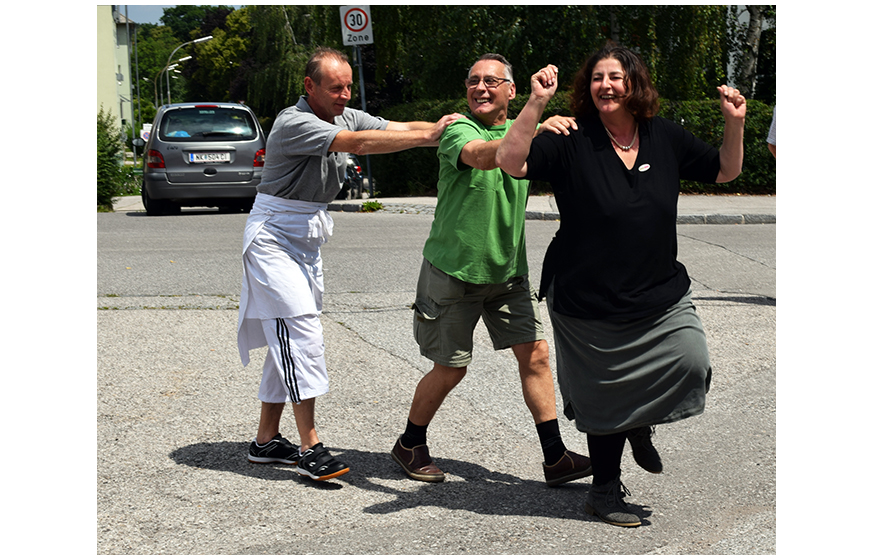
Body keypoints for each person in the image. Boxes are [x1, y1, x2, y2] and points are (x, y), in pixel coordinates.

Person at [495, 42, 745, 527]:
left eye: (615, 76)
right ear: (587, 89)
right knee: (603, 399)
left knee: (691, 361)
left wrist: (734, 121)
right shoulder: (571, 137)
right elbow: (510, 161)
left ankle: (638, 422)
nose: (605, 85)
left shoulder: (663, 136)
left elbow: (725, 170)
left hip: (658, 292)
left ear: (634, 83)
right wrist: (536, 104)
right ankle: (604, 492)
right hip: (587, 297)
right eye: (596, 78)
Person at [238, 47, 462, 482]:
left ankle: (266, 441)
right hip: (273, 237)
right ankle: (310, 447)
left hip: (304, 237)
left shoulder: (344, 113)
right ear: (310, 87)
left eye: (347, 87)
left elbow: (398, 127)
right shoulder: (294, 121)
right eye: (335, 88)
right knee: (299, 331)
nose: (344, 95)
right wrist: (425, 137)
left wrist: (443, 131)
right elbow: (359, 144)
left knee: (285, 332)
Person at [390, 53, 592, 488]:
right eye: (473, 81)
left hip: (507, 273)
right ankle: (410, 443)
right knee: (451, 368)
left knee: (535, 355)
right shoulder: (458, 131)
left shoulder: (529, 134)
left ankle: (555, 457)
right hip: (453, 272)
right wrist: (538, 111)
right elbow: (490, 156)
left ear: (509, 90)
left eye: (491, 81)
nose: (480, 88)